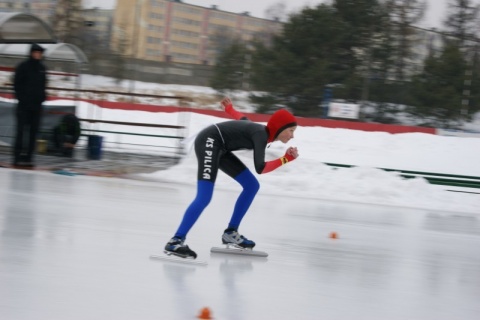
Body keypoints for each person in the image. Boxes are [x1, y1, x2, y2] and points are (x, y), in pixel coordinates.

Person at [165, 97, 299, 258]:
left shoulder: (259, 132)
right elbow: (260, 168)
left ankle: (230, 232)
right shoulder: (260, 135)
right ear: (280, 127)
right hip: (209, 141)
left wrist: (230, 109)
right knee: (204, 197)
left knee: (252, 186)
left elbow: (242, 120)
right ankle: (175, 241)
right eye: (291, 130)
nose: (292, 136)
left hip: (221, 148)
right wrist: (285, 159)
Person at [12, 43, 48, 167]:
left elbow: (43, 85)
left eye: (40, 53)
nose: (38, 55)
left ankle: (29, 157)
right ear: (31, 53)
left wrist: (43, 97)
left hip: (36, 107)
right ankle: (17, 156)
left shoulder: (42, 68)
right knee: (21, 132)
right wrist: (22, 98)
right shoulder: (23, 66)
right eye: (36, 52)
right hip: (24, 106)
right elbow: (16, 84)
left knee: (33, 133)